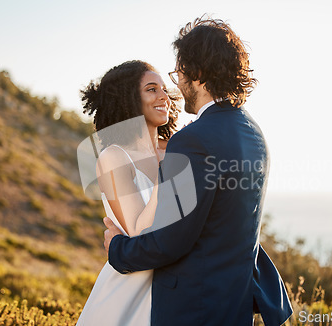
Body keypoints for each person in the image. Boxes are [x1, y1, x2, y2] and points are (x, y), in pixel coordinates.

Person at [103, 17, 293, 325]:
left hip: (193, 309)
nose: (177, 84)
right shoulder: (254, 133)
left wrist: (117, 249)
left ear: (198, 74)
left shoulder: (192, 141)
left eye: (179, 73)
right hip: (233, 305)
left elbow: (171, 241)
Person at [76, 60, 180, 325]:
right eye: (152, 89)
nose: (163, 97)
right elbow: (138, 233)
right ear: (128, 98)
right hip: (129, 292)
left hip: (178, 286)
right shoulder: (114, 158)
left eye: (164, 89)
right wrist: (166, 172)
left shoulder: (177, 148)